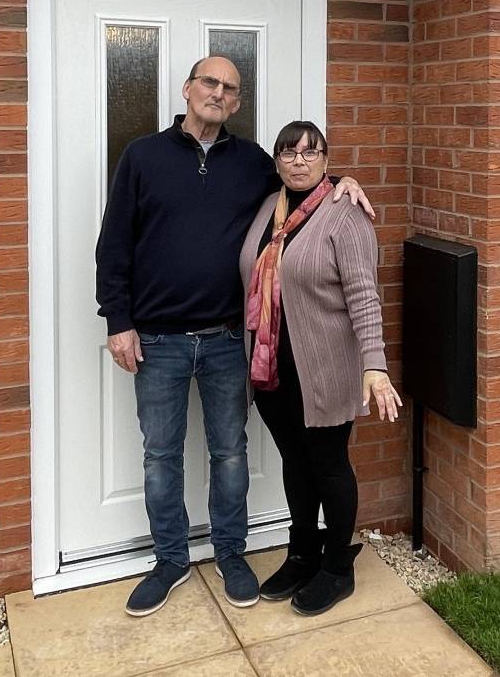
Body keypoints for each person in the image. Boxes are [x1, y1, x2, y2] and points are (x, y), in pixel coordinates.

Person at [96, 56, 372, 617]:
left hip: (228, 340)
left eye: (229, 87)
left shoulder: (251, 164)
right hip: (159, 340)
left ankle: (231, 554)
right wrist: (117, 320)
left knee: (229, 453)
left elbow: (305, 184)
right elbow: (114, 242)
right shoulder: (142, 157)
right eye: (209, 82)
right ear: (187, 89)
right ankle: (170, 560)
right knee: (160, 456)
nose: (218, 93)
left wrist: (344, 181)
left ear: (238, 102)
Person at [239, 120, 401, 616]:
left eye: (311, 153)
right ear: (277, 161)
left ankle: (336, 568)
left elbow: (364, 296)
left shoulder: (345, 214)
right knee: (295, 461)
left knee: (329, 466)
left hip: (326, 369)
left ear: (327, 160)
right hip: (272, 368)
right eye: (289, 153)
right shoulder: (269, 207)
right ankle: (302, 553)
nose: (299, 161)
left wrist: (375, 365)